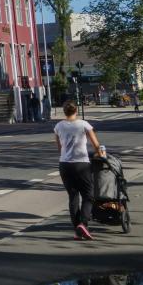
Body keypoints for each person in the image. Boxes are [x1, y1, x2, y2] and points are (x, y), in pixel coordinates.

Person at [54, 100, 104, 240]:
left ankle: (77, 229)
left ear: (64, 112)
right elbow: (95, 144)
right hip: (81, 164)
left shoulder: (58, 126)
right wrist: (101, 155)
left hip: (64, 165)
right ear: (76, 111)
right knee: (88, 196)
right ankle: (83, 223)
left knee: (73, 197)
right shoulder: (83, 124)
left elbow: (59, 148)